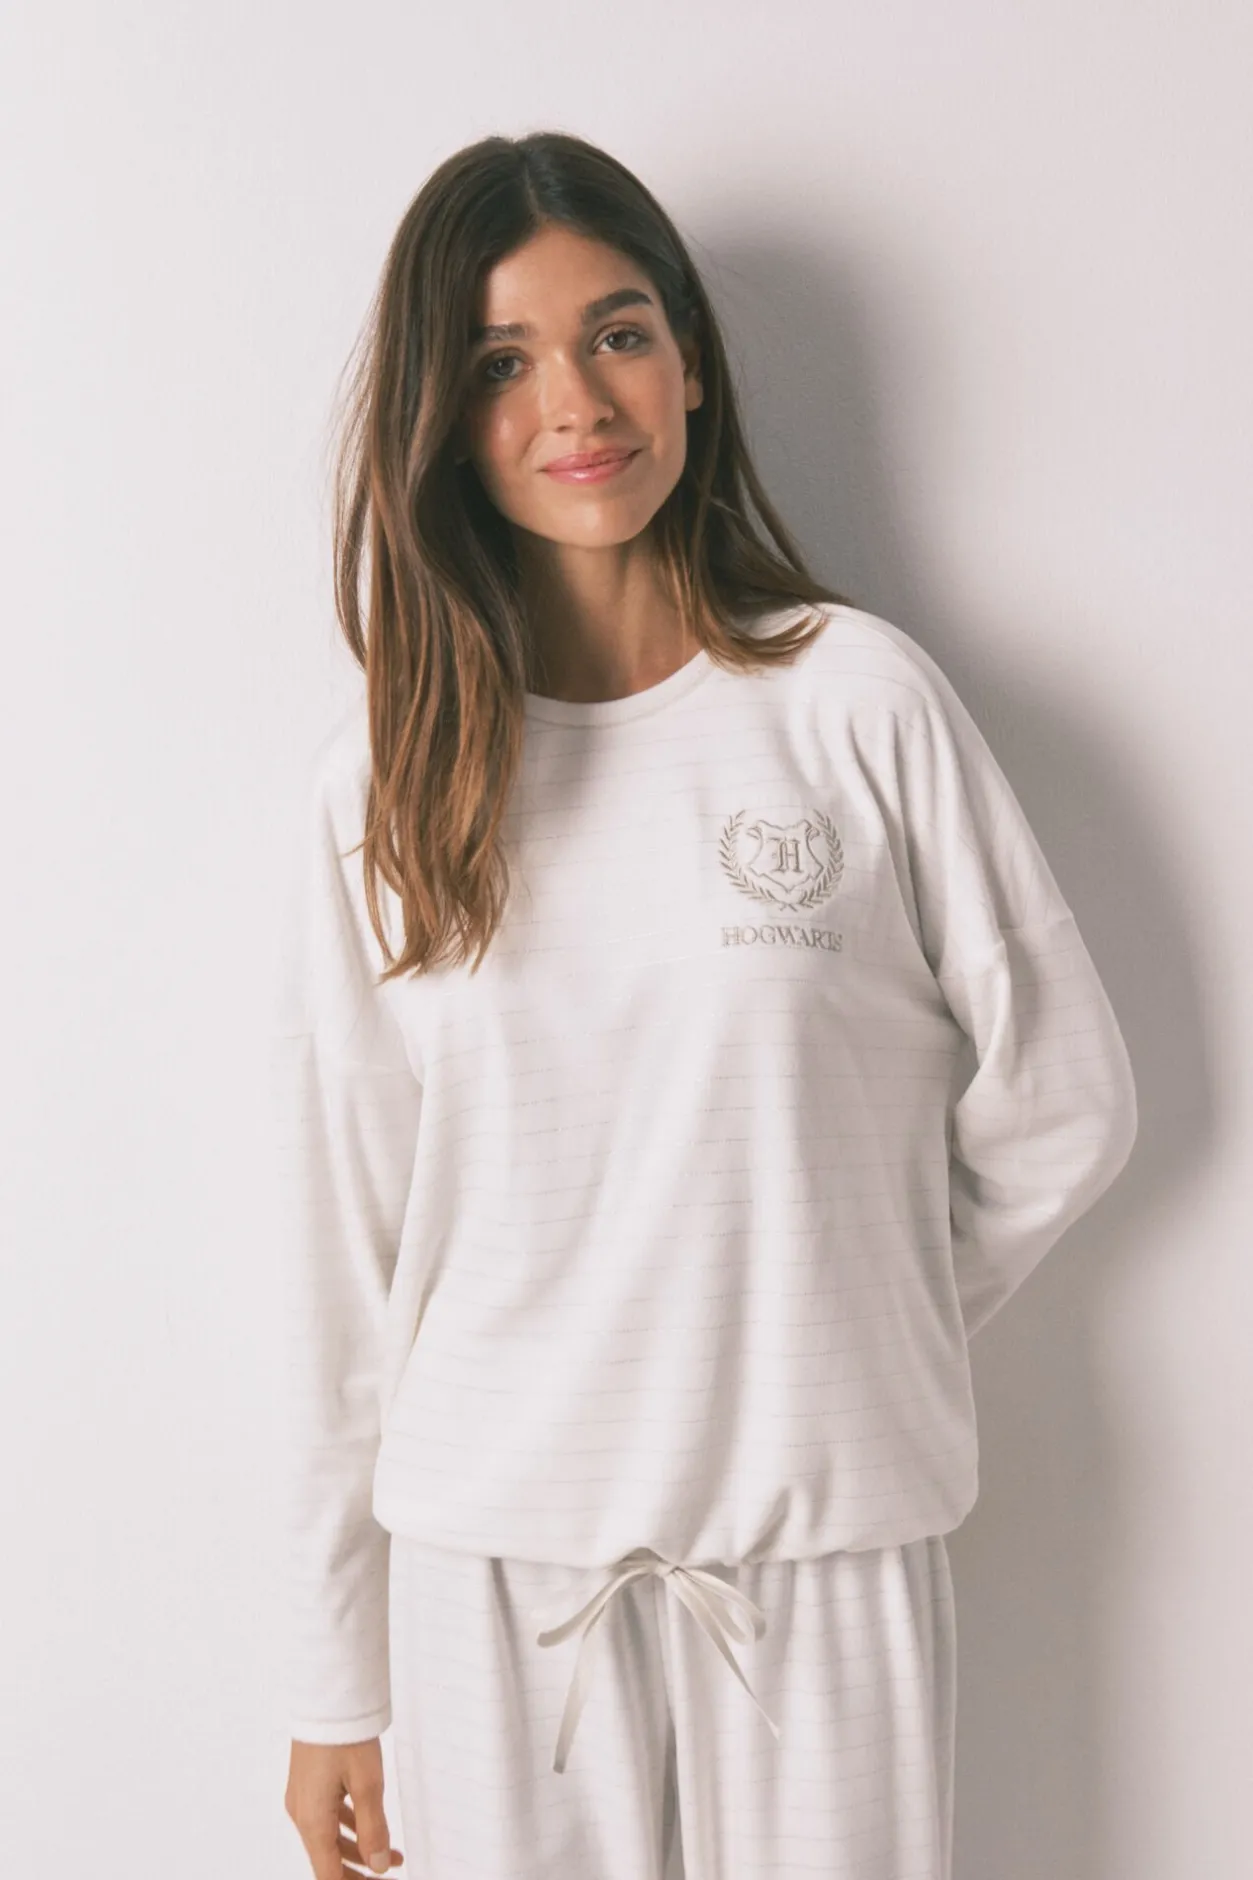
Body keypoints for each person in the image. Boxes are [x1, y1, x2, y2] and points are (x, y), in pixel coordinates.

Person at [272, 130, 1138, 1880]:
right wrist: (329, 1673)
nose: (576, 402)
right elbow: (345, 1246)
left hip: (820, 1558)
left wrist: (828, 1315)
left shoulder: (854, 704)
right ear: (443, 417)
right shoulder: (392, 779)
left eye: (619, 332)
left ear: (689, 362)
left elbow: (1066, 1103)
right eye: (502, 362)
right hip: (497, 1573)